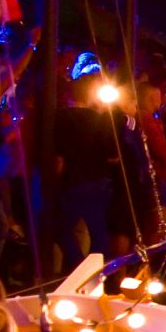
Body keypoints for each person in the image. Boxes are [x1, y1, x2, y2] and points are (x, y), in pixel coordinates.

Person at [52, 71, 121, 265]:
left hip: (73, 180)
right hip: (98, 181)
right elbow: (113, 155)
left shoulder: (60, 117)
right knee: (98, 232)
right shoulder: (99, 119)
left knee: (61, 227)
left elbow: (59, 155)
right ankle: (93, 271)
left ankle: (78, 264)